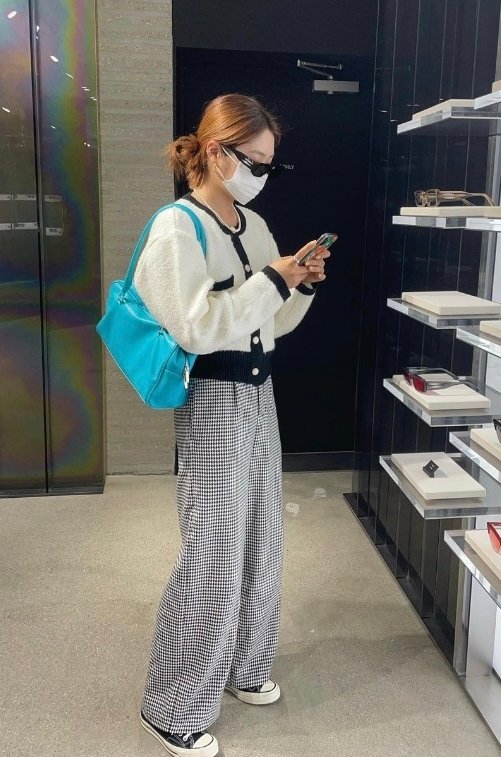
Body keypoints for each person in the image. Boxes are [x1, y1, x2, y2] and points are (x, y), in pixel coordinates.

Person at [135, 93, 330, 757]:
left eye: (272, 164)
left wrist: (297, 284)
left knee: (262, 538)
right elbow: (196, 326)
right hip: (212, 395)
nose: (263, 175)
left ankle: (244, 664)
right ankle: (171, 704)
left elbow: (269, 322)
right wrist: (272, 280)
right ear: (216, 152)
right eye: (256, 162)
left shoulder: (255, 225)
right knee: (214, 548)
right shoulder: (176, 228)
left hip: (257, 392)